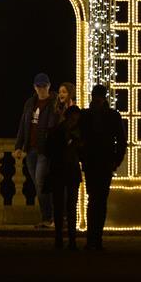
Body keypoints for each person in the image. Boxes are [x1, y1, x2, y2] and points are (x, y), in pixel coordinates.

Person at [79, 84, 126, 250]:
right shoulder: (112, 115)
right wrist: (116, 160)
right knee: (98, 201)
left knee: (95, 200)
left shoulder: (86, 115)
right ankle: (95, 239)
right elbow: (121, 140)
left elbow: (120, 141)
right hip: (103, 162)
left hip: (97, 162)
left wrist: (82, 156)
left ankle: (93, 239)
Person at [13, 73, 57, 228]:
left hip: (44, 150)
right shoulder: (30, 103)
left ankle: (49, 217)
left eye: (44, 86)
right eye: (39, 86)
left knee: (40, 182)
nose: (42, 89)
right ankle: (49, 217)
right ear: (35, 87)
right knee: (39, 184)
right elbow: (23, 126)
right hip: (31, 149)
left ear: (49, 86)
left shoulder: (53, 103)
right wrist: (18, 146)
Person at [45, 104, 83, 250]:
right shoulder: (60, 132)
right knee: (63, 206)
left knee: (67, 206)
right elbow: (50, 150)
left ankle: (66, 239)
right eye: (73, 119)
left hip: (66, 171)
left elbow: (48, 150)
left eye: (76, 120)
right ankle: (63, 239)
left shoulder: (60, 131)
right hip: (64, 170)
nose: (74, 122)